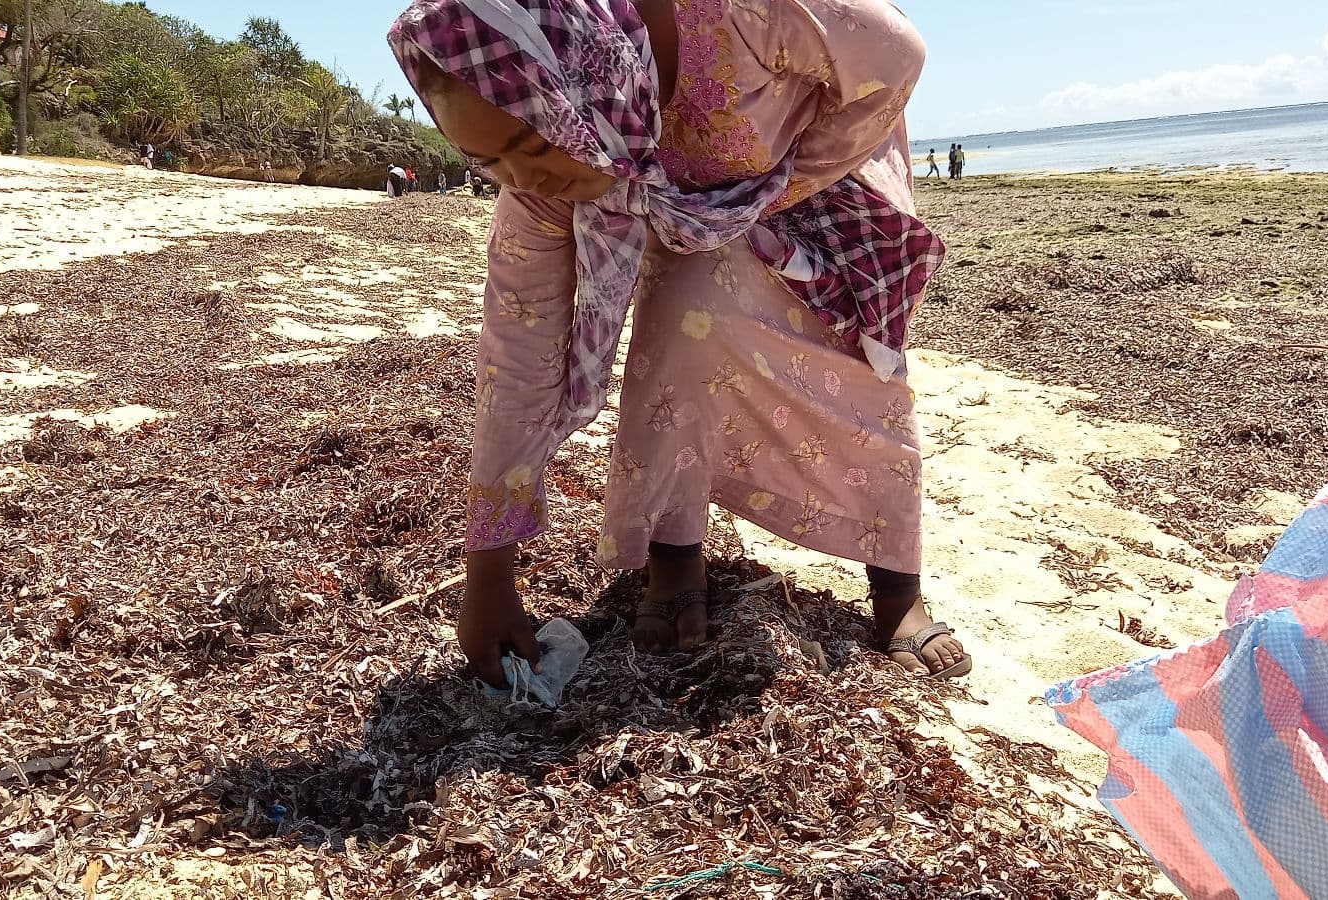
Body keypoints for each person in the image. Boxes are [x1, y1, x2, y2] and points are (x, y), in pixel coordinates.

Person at [391, 0, 968, 688]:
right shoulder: (541, 185)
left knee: (865, 363)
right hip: (680, 201)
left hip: (825, 164)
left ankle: (898, 586)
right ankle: (674, 551)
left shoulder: (742, 12)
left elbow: (898, 54)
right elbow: (516, 355)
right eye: (488, 162)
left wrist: (776, 190)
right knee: (684, 314)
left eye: (533, 148)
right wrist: (487, 575)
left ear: (584, 80)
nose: (523, 180)